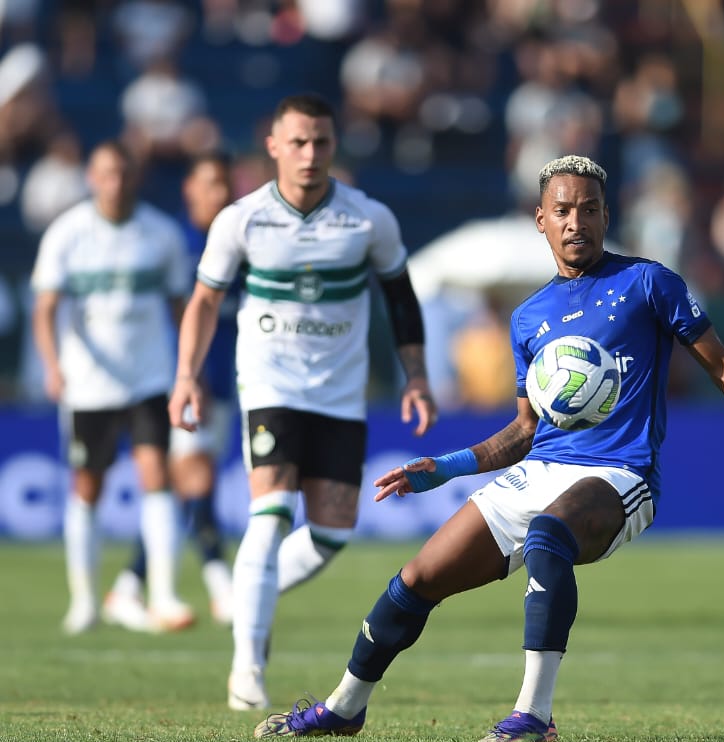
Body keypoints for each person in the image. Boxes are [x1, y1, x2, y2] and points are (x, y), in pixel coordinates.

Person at [252, 154, 724, 742]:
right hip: (541, 469)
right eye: (562, 211)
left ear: (607, 217)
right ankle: (344, 709)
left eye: (588, 209)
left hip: (620, 474)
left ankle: (533, 715)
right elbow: (523, 430)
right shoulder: (529, 317)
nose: (575, 222)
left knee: (549, 535)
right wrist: (446, 468)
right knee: (415, 579)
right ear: (541, 220)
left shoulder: (649, 283)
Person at [168, 93, 438, 711]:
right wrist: (185, 375)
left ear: (333, 145)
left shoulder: (368, 219)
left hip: (340, 395)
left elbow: (401, 299)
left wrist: (416, 377)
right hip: (270, 386)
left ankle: (247, 593)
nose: (310, 154)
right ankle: (247, 667)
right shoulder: (241, 219)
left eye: (320, 141)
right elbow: (205, 303)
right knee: (270, 515)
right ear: (272, 146)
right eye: (297, 142)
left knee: (331, 533)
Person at [31, 140, 194, 635]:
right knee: (88, 487)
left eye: (123, 174)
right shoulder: (68, 233)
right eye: (106, 174)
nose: (115, 183)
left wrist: (188, 370)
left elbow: (180, 307)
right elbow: (45, 307)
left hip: (149, 377)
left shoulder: (160, 234)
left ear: (135, 177)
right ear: (91, 177)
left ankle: (163, 594)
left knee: (156, 477)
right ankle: (84, 601)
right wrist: (52, 366)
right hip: (89, 384)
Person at [107, 153, 238, 632]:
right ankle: (221, 584)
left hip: (226, 384)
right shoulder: (172, 243)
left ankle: (126, 586)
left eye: (225, 184)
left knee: (188, 488)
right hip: (182, 385)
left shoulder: (239, 242)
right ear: (189, 189)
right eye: (210, 184)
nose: (220, 194)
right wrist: (183, 373)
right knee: (195, 475)